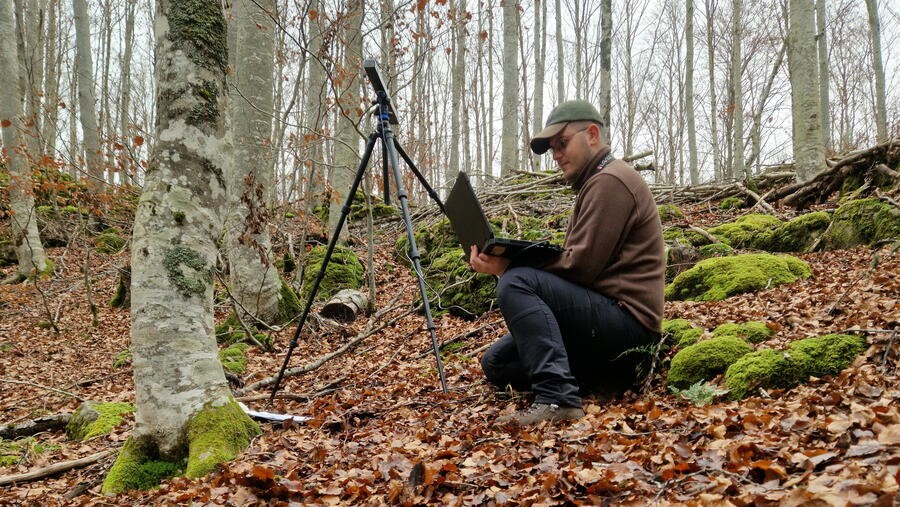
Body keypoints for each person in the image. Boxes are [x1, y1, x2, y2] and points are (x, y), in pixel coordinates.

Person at [469, 100, 665, 426]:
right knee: (497, 363)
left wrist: (510, 268)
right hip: (604, 329)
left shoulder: (610, 181)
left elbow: (580, 269)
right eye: (551, 149)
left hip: (629, 328)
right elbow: (577, 268)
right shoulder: (597, 182)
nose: (556, 155)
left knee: (517, 282)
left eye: (562, 143)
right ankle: (598, 383)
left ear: (591, 134)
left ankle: (559, 399)